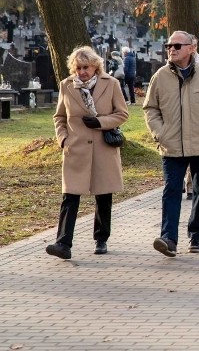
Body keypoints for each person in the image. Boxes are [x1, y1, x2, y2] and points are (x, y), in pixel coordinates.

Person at [144, 31, 199, 257]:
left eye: (176, 45)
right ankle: (168, 239)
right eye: (168, 46)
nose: (171, 49)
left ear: (192, 48)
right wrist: (160, 133)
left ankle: (196, 236)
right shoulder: (161, 76)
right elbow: (150, 108)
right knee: (171, 190)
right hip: (172, 145)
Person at [47, 46, 129, 259]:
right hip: (76, 148)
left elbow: (122, 114)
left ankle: (101, 238)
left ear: (95, 67)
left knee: (103, 195)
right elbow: (59, 117)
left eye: (86, 67)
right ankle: (63, 243)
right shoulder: (66, 86)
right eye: (78, 68)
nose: (82, 72)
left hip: (103, 147)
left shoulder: (111, 84)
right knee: (70, 196)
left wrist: (100, 122)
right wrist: (63, 139)